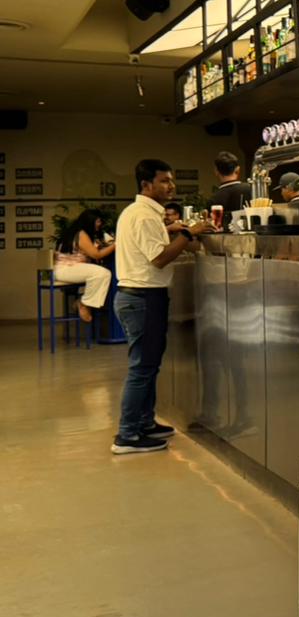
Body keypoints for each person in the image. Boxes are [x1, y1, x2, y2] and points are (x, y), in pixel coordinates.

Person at [111, 159, 213, 455]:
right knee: (141, 368)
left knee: (149, 365)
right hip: (142, 298)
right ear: (146, 185)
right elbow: (158, 258)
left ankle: (144, 422)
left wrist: (174, 231)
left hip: (143, 297)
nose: (171, 186)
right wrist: (188, 234)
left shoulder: (143, 214)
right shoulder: (143, 215)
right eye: (165, 181)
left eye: (171, 180)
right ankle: (127, 435)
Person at [53, 208, 115, 322]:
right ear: (90, 221)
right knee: (103, 273)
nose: (100, 224)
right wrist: (116, 244)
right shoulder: (81, 234)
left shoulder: (75, 231)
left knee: (95, 274)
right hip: (67, 269)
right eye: (98, 221)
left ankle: (83, 301)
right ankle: (84, 303)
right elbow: (96, 255)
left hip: (67, 269)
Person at [207, 152, 250, 228]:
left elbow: (211, 226)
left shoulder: (214, 199)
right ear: (238, 169)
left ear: (216, 171)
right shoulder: (250, 189)